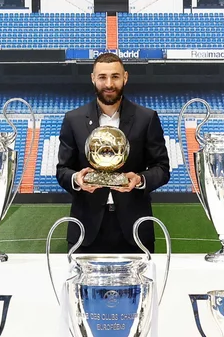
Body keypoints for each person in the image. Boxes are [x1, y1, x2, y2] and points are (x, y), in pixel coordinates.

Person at [56, 52, 170, 253]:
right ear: (93, 78)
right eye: (102, 77)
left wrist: (140, 180)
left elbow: (162, 168)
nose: (109, 84)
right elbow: (62, 169)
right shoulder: (73, 119)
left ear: (125, 77)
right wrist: (76, 178)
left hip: (135, 231)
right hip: (86, 232)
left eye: (115, 76)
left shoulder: (147, 118)